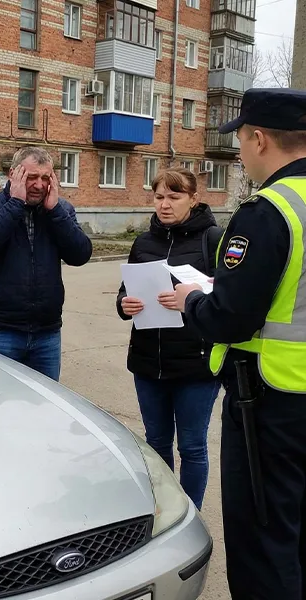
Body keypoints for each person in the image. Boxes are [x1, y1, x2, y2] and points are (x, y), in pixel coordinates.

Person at [173, 88, 306, 599]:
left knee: (264, 543)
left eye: (242, 140)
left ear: (260, 138)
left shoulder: (268, 211)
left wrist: (191, 300)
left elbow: (229, 319)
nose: (241, 153)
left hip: (271, 408)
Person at [116, 167, 223, 510]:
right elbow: (125, 290)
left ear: (193, 199)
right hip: (148, 363)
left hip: (195, 365)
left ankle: (192, 515)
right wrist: (124, 303)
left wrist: (191, 299)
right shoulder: (144, 242)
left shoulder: (213, 239)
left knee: (192, 447)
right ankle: (166, 512)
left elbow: (228, 297)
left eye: (174, 197)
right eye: (159, 196)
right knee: (156, 444)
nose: (164, 204)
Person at [0, 146, 93, 381]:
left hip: (47, 333)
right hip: (0, 331)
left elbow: (80, 255)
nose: (39, 185)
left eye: (46, 178)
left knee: (44, 401)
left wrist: (55, 212)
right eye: (31, 177)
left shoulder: (60, 210)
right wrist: (15, 203)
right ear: (13, 174)